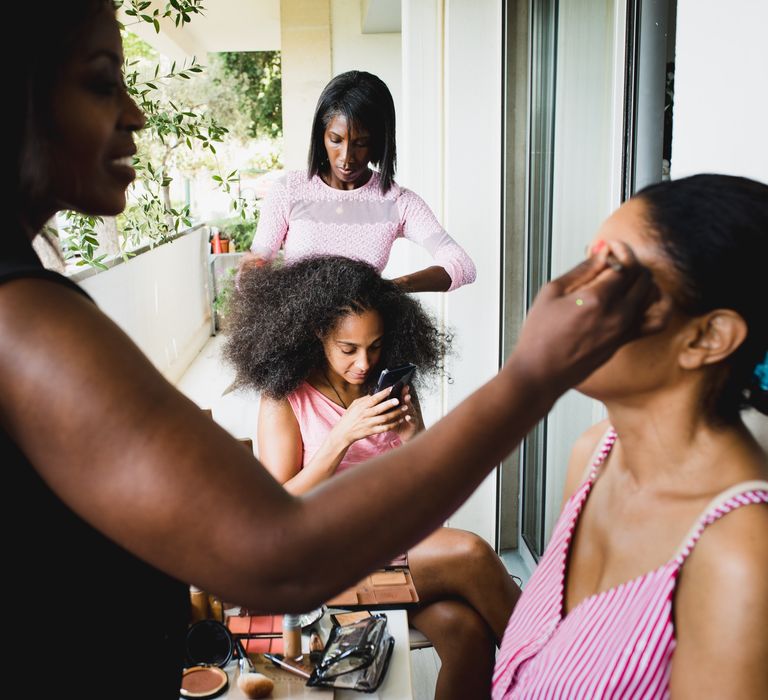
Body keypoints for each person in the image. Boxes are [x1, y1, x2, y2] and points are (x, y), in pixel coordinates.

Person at [6, 1, 659, 697]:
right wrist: (534, 376)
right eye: (104, 82)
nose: (134, 114)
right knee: (469, 560)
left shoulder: (393, 214)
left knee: (464, 629)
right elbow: (276, 548)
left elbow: (455, 267)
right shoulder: (28, 321)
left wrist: (390, 327)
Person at [492, 174, 768, 699]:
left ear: (708, 337)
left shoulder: (741, 557)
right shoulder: (593, 456)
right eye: (584, 264)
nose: (569, 299)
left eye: (614, 275)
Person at [225, 255, 521, 699]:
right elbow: (278, 509)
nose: (364, 363)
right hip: (328, 557)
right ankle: (567, 677)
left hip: (398, 544)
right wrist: (340, 438)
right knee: (472, 553)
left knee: (467, 634)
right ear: (317, 334)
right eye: (348, 350)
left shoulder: (387, 383)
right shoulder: (285, 397)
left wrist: (415, 436)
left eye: (376, 346)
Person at [243, 70, 476, 293]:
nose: (346, 157)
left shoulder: (398, 202)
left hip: (362, 331)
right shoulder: (289, 191)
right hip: (298, 331)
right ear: (321, 135)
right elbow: (254, 270)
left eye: (361, 143)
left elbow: (462, 266)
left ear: (379, 142)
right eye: (335, 140)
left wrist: (389, 290)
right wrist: (250, 272)